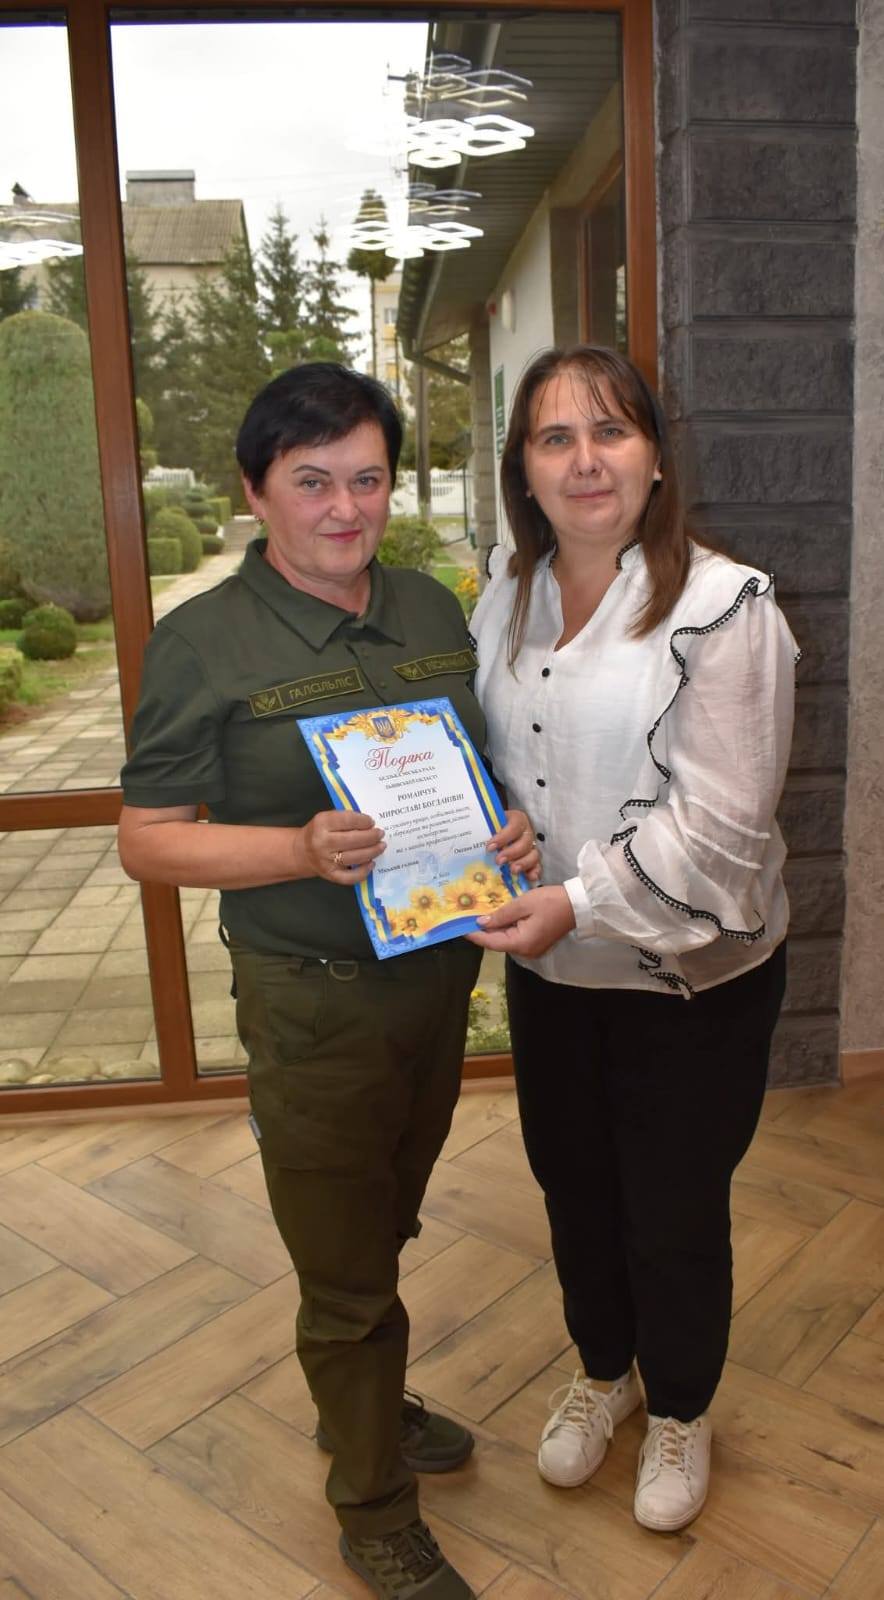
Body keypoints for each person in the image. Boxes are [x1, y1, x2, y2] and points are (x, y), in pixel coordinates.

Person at [118, 362, 536, 1600]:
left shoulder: (430, 606)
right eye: (312, 482)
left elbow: (465, 771)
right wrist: (293, 851)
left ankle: (363, 1394)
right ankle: (373, 1506)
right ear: (255, 493)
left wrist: (506, 828)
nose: (345, 508)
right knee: (343, 1267)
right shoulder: (201, 641)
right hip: (309, 998)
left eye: (366, 478)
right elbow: (148, 840)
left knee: (382, 1220)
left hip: (433, 979)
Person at [468, 345, 797, 1533]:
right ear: (522, 467)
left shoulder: (725, 607)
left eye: (609, 431)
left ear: (655, 457)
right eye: (553, 438)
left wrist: (571, 896)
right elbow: (506, 764)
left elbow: (721, 824)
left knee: (671, 1204)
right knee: (572, 1185)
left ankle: (680, 1406)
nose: (584, 459)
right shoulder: (502, 594)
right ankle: (603, 1372)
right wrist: (498, 829)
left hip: (688, 979)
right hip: (554, 967)